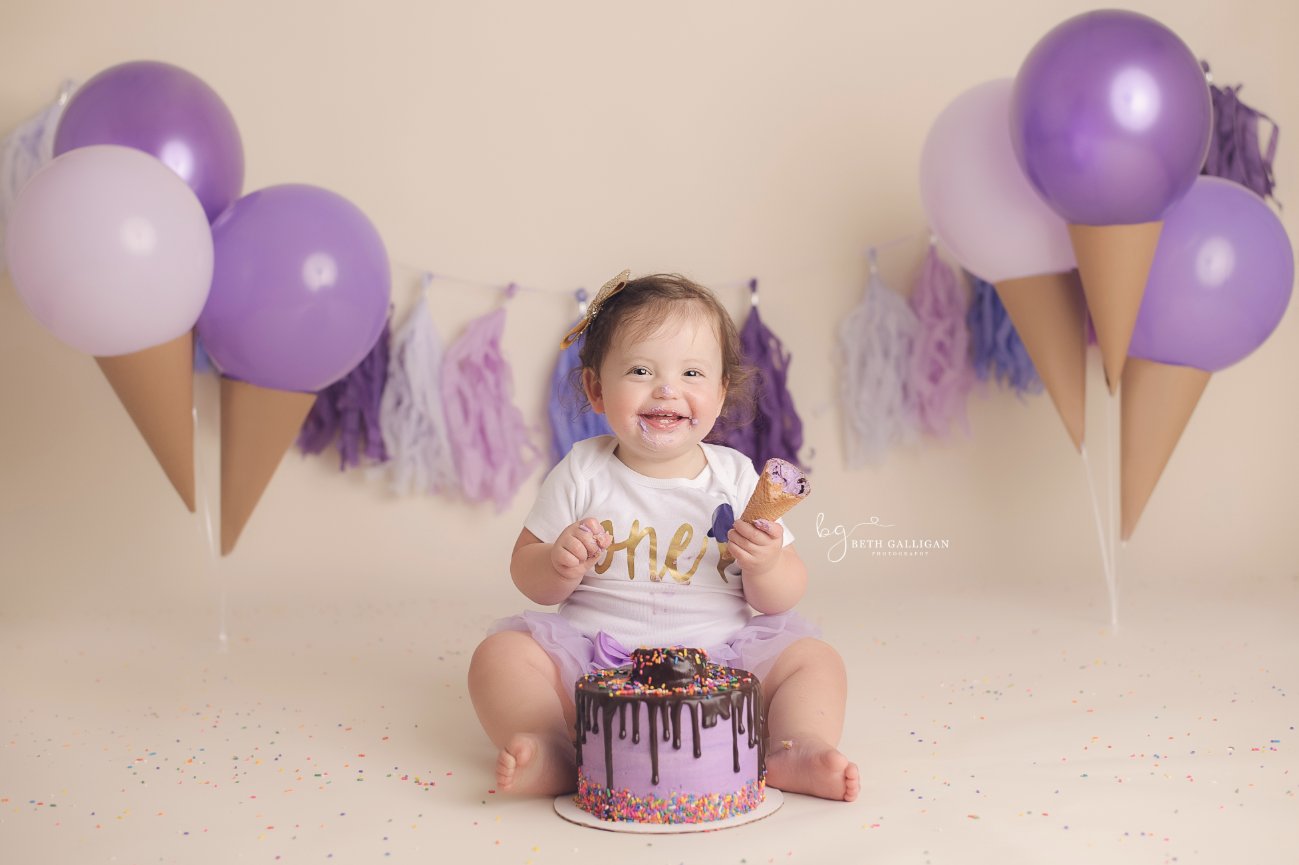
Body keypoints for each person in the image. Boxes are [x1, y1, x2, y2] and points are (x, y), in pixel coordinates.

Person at [468, 270, 859, 802]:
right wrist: (556, 563)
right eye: (640, 369)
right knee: (501, 655)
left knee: (815, 660)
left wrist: (767, 566)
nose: (667, 388)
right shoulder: (583, 470)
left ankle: (793, 746)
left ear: (721, 394)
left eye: (693, 372)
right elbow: (525, 572)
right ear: (596, 388)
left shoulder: (737, 478)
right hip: (596, 662)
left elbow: (783, 596)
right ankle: (555, 746)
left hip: (721, 663)